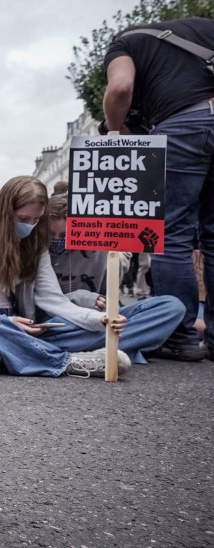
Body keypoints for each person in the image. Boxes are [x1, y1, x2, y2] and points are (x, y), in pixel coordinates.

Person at [0, 176, 185, 378]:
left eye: (36, 220)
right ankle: (68, 360)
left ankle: (9, 353)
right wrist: (6, 324)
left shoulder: (34, 246)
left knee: (164, 309)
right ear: (4, 212)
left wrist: (99, 319)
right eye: (23, 219)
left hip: (27, 331)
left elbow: (53, 300)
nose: (30, 226)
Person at [102, 17, 214, 360]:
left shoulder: (126, 42)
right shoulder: (205, 26)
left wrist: (115, 127)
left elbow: (121, 87)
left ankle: (180, 336)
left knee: (170, 235)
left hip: (182, 124)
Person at [46, 192, 184, 358]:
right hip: (58, 323)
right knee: (51, 329)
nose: (56, 241)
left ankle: (85, 348)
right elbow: (39, 304)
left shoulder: (100, 252)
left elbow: (109, 303)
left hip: (98, 322)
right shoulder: (38, 254)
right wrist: (79, 298)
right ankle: (127, 344)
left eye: (65, 236)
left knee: (172, 306)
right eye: (50, 235)